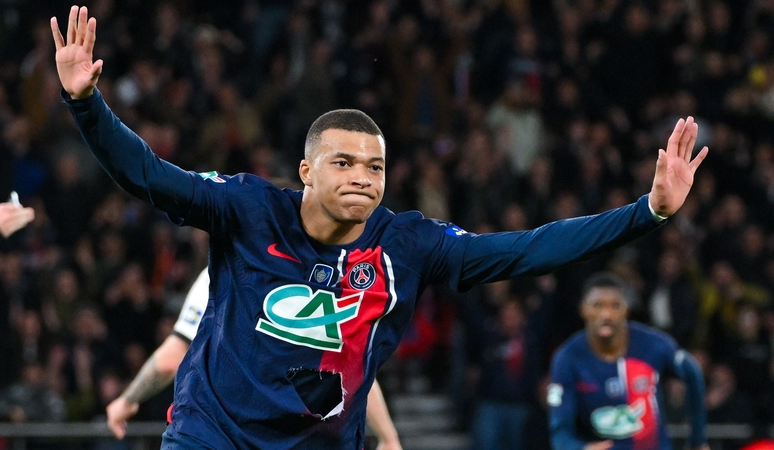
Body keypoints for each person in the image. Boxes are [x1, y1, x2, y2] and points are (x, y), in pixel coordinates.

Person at [50, 6, 707, 449]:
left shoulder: (406, 245)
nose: (363, 177)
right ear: (306, 170)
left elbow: (528, 250)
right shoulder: (249, 209)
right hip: (210, 437)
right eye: (343, 163)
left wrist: (646, 212)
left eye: (375, 166)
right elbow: (148, 174)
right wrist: (85, 103)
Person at [106, 268, 402, 450]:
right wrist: (388, 436)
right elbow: (349, 374)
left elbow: (173, 356)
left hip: (222, 432)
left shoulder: (225, 268)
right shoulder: (327, 282)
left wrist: (127, 400)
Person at [547, 272, 709, 450]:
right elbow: (559, 433)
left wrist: (698, 441)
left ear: (626, 310)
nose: (606, 315)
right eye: (598, 306)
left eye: (615, 306)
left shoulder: (653, 345)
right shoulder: (567, 358)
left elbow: (692, 372)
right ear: (583, 310)